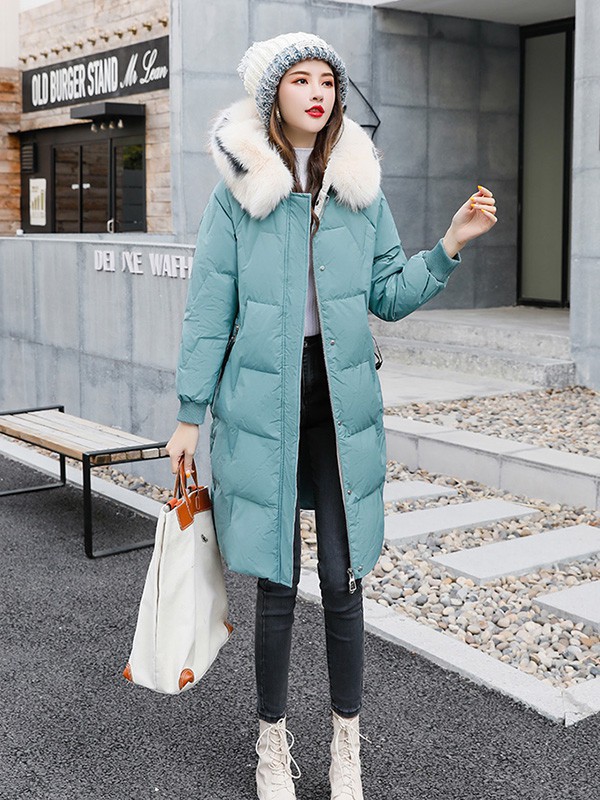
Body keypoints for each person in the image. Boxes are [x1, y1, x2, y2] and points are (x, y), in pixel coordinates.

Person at [166, 30, 497, 800]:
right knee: (276, 582)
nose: (317, 92)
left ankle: (347, 744)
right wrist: (188, 412)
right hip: (262, 403)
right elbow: (209, 309)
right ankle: (271, 745)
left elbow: (387, 294)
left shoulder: (359, 187)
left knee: (344, 580)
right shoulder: (238, 192)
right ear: (273, 94)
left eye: (327, 81)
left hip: (339, 401)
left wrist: (449, 245)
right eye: (300, 80)